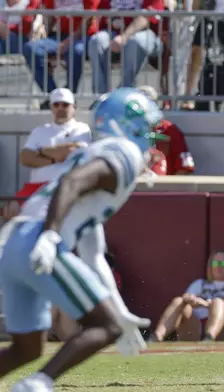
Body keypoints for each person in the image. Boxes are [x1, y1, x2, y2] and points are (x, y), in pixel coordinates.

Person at [0, 87, 163, 391]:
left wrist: (122, 312)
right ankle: (37, 384)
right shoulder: (123, 152)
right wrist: (49, 235)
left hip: (15, 242)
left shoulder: (98, 152)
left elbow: (93, 253)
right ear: (122, 122)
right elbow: (75, 182)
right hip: (38, 239)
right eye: (144, 124)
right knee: (104, 326)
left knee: (27, 348)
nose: (151, 133)